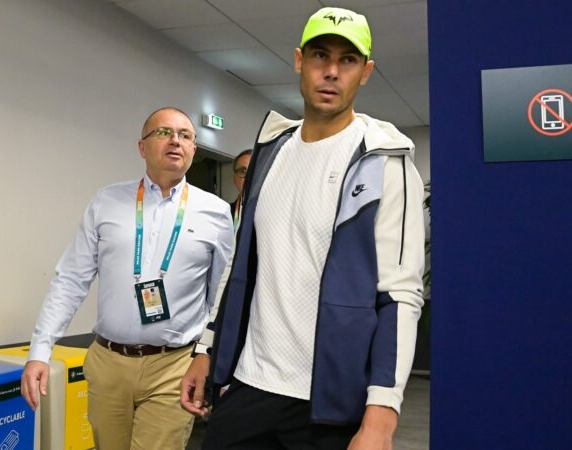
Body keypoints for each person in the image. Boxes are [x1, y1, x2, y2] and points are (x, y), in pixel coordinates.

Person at [181, 6, 425, 450]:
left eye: (347, 61)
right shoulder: (271, 153)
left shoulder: (385, 162)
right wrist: (206, 349)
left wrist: (382, 416)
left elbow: (400, 295)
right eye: (320, 56)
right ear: (299, 60)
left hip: (330, 401)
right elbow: (241, 264)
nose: (331, 72)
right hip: (249, 386)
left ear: (366, 72)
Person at [21, 107, 234, 450]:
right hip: (108, 362)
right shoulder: (107, 201)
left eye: (185, 135)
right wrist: (39, 351)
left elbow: (222, 289)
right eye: (163, 133)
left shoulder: (215, 212)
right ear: (141, 147)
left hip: (174, 363)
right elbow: (71, 279)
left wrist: (207, 351)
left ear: (194, 149)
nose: (175, 141)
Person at [229, 149, 252, 230]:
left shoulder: (276, 212)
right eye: (243, 171)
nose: (249, 178)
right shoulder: (224, 213)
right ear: (234, 178)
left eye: (254, 171)